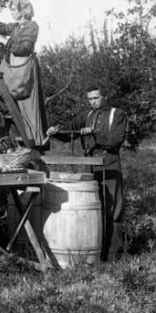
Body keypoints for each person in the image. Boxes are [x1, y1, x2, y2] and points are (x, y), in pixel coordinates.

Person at [46, 86, 128, 261]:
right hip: (91, 166)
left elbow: (115, 141)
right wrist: (56, 130)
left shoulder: (117, 114)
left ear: (104, 97)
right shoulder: (87, 115)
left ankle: (113, 256)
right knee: (95, 208)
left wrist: (94, 132)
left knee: (113, 209)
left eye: (96, 98)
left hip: (110, 165)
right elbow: (71, 129)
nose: (93, 102)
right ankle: (96, 254)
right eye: (90, 99)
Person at [0, 0, 48, 149]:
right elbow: (1, 27)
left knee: (28, 106)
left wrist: (5, 42)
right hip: (13, 70)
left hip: (24, 72)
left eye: (13, 10)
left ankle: (34, 142)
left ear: (23, 11)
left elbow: (25, 48)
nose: (10, 12)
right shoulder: (16, 27)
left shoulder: (31, 26)